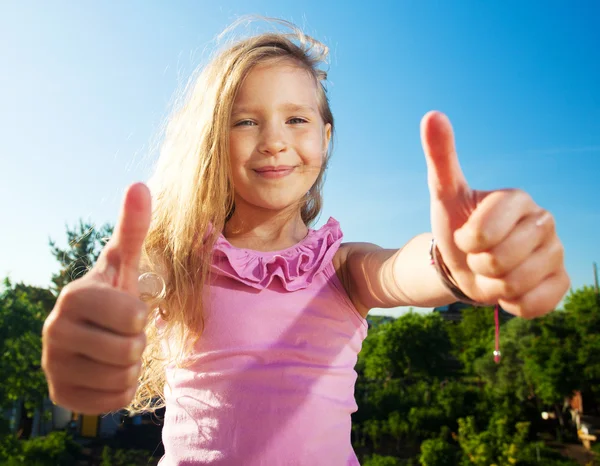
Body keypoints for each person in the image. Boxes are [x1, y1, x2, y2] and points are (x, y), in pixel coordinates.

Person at [41, 19, 570, 465]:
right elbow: (127, 288)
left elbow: (402, 271)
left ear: (326, 137)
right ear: (212, 142)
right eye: (246, 121)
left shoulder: (343, 268)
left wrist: (454, 262)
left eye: (297, 119)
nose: (275, 139)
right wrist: (95, 317)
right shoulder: (179, 258)